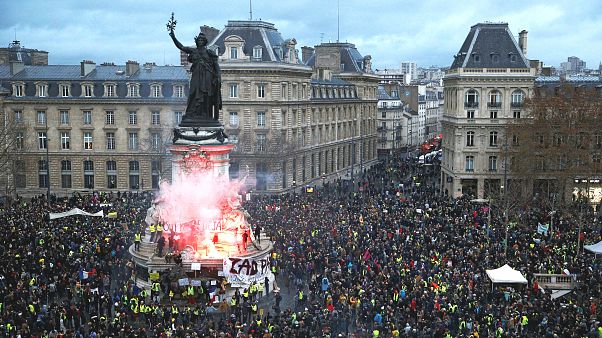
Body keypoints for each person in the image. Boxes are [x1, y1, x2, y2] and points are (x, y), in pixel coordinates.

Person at [168, 23, 221, 124]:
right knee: (193, 92)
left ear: (205, 42)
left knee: (206, 95)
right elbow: (182, 47)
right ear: (197, 42)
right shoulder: (193, 51)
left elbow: (216, 66)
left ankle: (206, 114)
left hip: (207, 76)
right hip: (196, 75)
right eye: (199, 40)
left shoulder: (209, 53)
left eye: (202, 40)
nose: (200, 41)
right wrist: (173, 37)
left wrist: (218, 77)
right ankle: (192, 113)